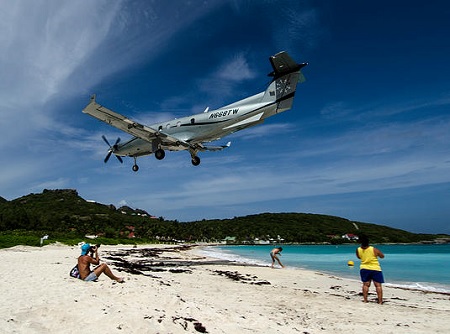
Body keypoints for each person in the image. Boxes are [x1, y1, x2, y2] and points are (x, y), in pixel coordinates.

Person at [356, 235, 384, 304]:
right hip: (375, 268)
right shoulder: (373, 249)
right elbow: (382, 256)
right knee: (378, 285)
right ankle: (380, 301)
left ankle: (365, 300)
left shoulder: (358, 249)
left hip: (364, 268)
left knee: (365, 285)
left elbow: (359, 257)